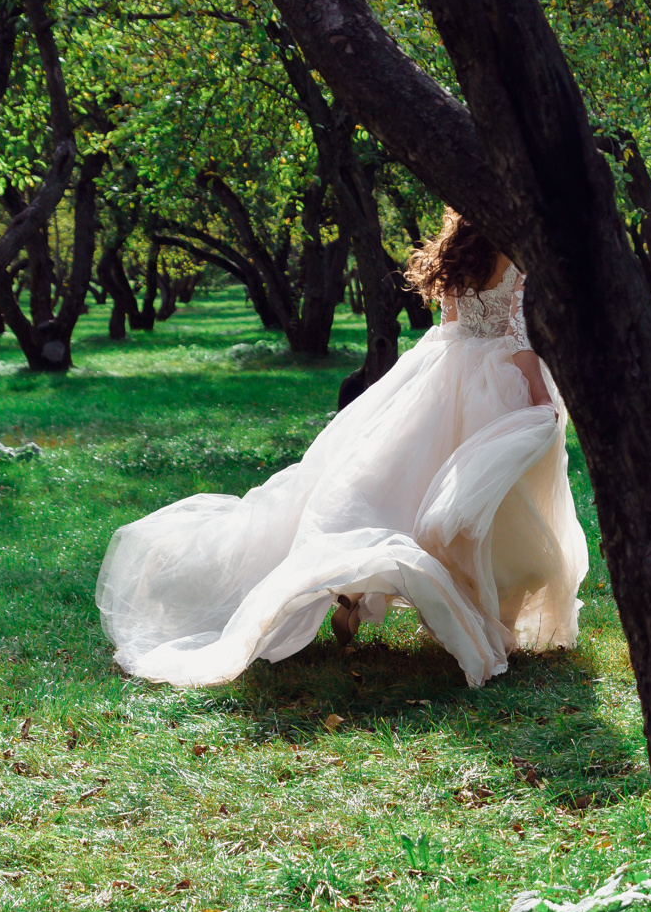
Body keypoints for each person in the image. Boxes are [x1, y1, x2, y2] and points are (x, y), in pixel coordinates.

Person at [97, 208, 588, 688]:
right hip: (497, 383)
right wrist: (542, 399)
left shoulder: (458, 252)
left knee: (403, 489)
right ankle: (493, 622)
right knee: (496, 506)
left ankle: (358, 590)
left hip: (444, 369)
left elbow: (451, 325)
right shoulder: (521, 257)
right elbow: (520, 340)